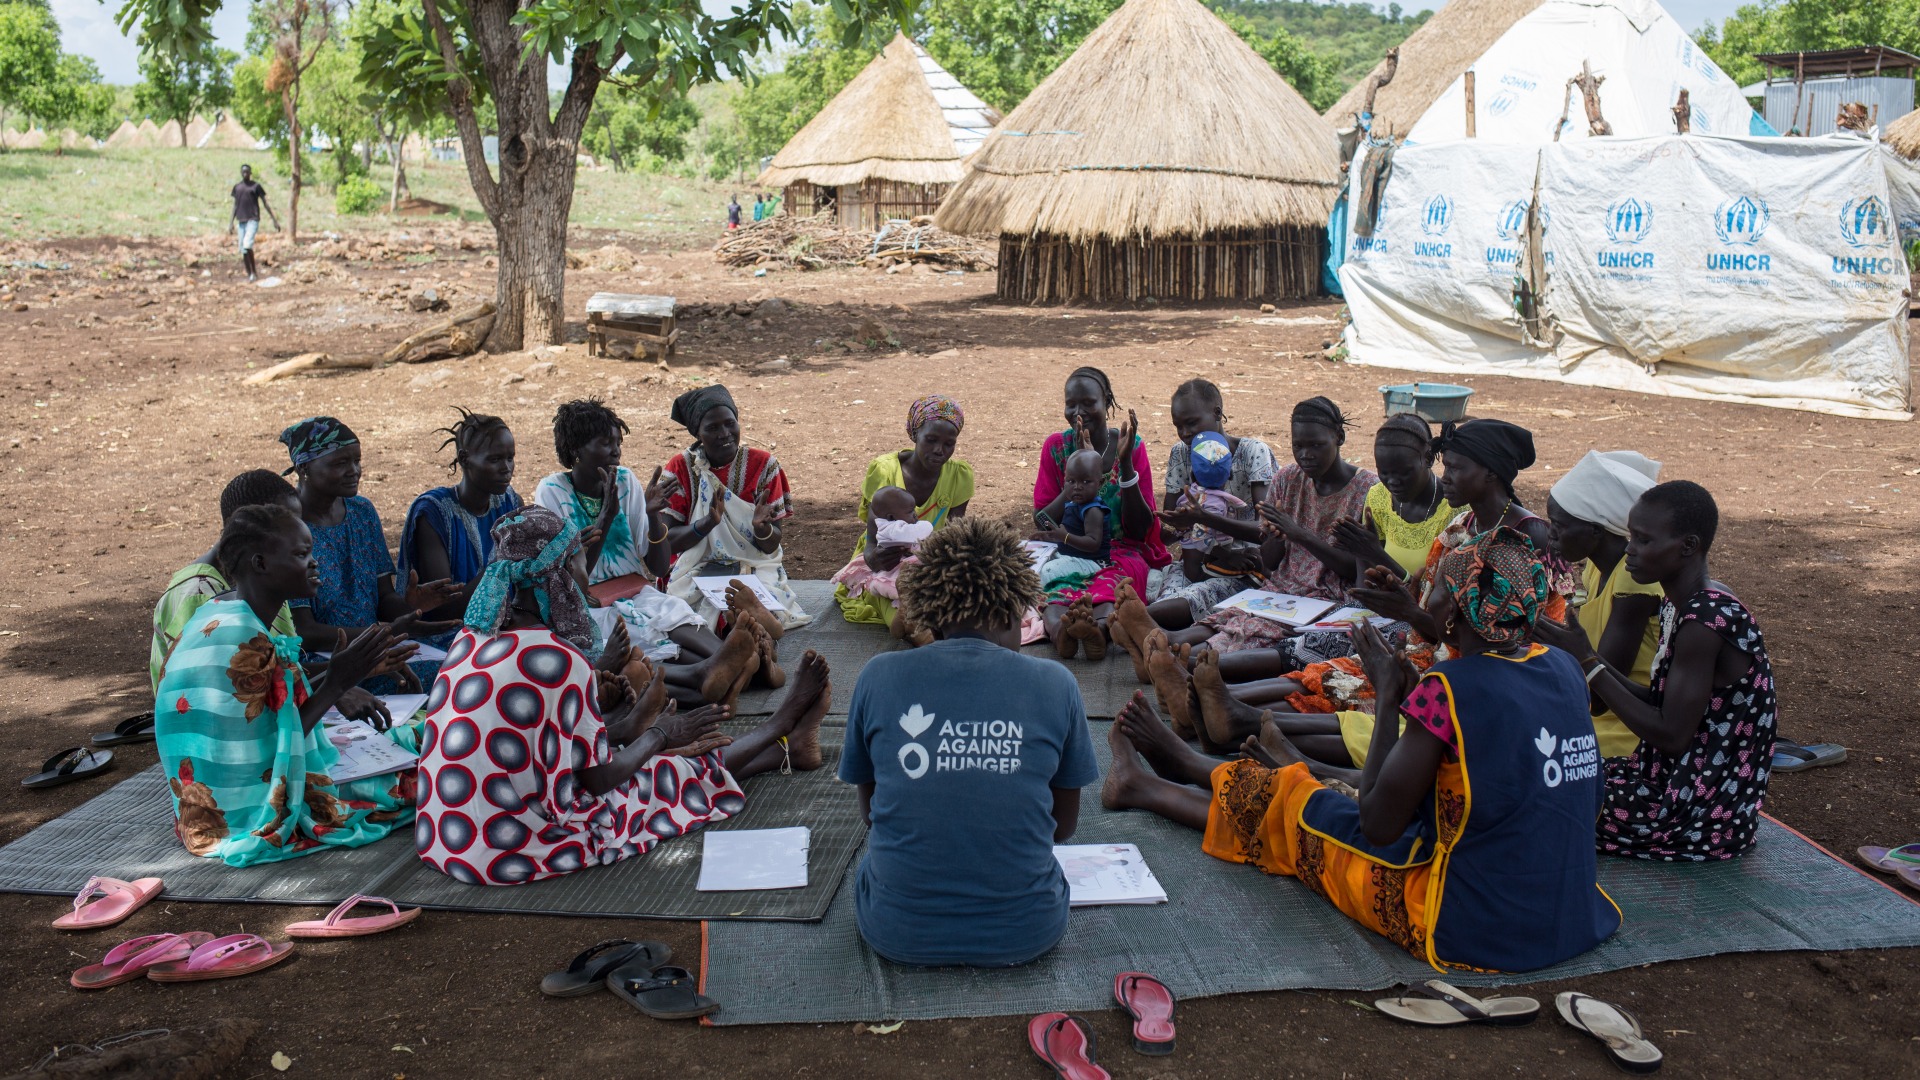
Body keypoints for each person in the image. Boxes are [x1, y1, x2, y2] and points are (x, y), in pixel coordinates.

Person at [1102, 526, 1620, 972]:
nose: (1426, 599)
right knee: (1359, 791)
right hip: (1572, 913)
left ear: (1455, 614)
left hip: (1467, 923)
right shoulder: (1562, 669)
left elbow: (1376, 826)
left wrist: (1392, 696)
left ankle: (1150, 784)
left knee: (1308, 808)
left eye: (1436, 590)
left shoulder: (1450, 686)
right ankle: (1212, 767)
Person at [415, 507, 833, 885]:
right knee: (663, 773)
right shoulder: (559, 659)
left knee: (651, 755)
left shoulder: (469, 640)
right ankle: (780, 724)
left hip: (445, 838)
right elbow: (596, 782)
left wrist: (632, 731)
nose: (586, 570)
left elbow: (540, 747)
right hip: (516, 848)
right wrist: (660, 737)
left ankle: (787, 750)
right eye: (579, 558)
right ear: (558, 573)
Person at [840, 517, 1099, 967]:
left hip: (896, 929)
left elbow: (869, 813)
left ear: (928, 610)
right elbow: (1063, 827)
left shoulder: (878, 676)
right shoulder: (1055, 683)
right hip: (1029, 929)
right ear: (1008, 611)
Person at [156, 505, 419, 867]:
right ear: (261, 563)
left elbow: (271, 714)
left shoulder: (219, 612)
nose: (314, 563)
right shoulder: (247, 637)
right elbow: (274, 751)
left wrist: (338, 678)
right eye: (301, 554)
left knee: (410, 740)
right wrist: (335, 683)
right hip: (245, 809)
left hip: (204, 808)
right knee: (417, 775)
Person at [1536, 481, 1778, 862]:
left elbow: (1671, 734)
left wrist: (1586, 662)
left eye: (1644, 540)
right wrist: (1585, 657)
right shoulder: (1679, 604)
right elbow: (1661, 701)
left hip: (1697, 813)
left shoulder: (1705, 621)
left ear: (1688, 546)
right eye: (1631, 535)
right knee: (1547, 772)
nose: (1630, 549)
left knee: (1541, 801)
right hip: (1669, 781)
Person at [1158, 397, 1377, 659]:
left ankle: (1185, 661)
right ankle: (1169, 645)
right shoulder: (1287, 478)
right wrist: (1277, 537)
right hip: (1283, 589)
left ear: (1339, 438)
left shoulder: (1366, 490)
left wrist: (1300, 534)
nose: (1306, 454)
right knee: (1232, 617)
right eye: (1298, 446)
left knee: (1255, 628)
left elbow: (1354, 570)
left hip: (1332, 596)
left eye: (1316, 445)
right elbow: (1272, 562)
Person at [281, 417, 463, 687]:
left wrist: (411, 611)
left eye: (356, 461)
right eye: (340, 463)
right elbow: (305, 631)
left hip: (374, 642)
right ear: (304, 467)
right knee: (451, 674)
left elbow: (383, 596)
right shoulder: (288, 527)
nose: (354, 470)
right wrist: (384, 634)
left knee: (468, 647)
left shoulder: (362, 512)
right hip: (328, 659)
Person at [533, 399, 710, 664]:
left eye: (618, 443)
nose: (616, 452)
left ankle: (734, 659)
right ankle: (718, 670)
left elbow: (659, 568)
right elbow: (573, 580)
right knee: (639, 637)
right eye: (606, 443)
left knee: (674, 611)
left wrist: (652, 516)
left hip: (636, 590)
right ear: (576, 449)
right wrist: (606, 516)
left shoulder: (625, 480)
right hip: (589, 604)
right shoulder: (552, 492)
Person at [1031, 366, 1170, 649]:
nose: (1078, 412)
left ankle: (1100, 632)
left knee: (1114, 590)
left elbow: (1141, 528)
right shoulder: (1057, 448)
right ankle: (1060, 633)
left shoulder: (1130, 447)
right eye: (1070, 405)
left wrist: (1127, 465)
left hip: (1121, 551)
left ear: (1106, 402)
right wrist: (1071, 488)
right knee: (1058, 588)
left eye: (1088, 403)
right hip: (1072, 550)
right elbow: (1042, 523)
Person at [655, 385, 810, 632]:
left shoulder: (764, 465)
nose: (724, 433)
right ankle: (750, 628)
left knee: (759, 595)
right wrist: (706, 524)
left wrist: (762, 529)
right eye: (712, 428)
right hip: (695, 563)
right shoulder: (680, 468)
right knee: (692, 611)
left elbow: (770, 546)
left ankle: (755, 620)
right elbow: (667, 543)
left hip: (754, 560)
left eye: (730, 424)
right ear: (698, 434)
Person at [1545, 450, 1663, 758]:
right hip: (1593, 712)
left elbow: (1601, 699)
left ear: (1595, 530)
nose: (1550, 534)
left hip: (1624, 729)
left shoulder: (1633, 581)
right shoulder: (1598, 566)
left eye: (1559, 524)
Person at [835, 394, 973, 632]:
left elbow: (954, 536)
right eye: (930, 440)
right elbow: (871, 539)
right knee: (896, 603)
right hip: (885, 561)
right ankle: (912, 626)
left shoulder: (959, 475)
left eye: (949, 443)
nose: (940, 450)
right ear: (914, 434)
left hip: (931, 558)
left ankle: (921, 625)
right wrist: (875, 559)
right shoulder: (885, 470)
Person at [1146, 379, 1275, 627]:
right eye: (1178, 426)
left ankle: (1120, 624)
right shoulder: (1181, 453)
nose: (1185, 433)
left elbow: (1265, 530)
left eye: (1191, 423)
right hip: (1200, 559)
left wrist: (1204, 519)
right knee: (1169, 599)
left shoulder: (1252, 452)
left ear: (1217, 413)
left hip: (1247, 562)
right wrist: (1181, 527)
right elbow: (1169, 533)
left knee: (1193, 603)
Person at [399, 409, 523, 641]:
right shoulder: (433, 512)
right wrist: (497, 569)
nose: (507, 468)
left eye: (510, 457)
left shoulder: (510, 502)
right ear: (465, 459)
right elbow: (443, 609)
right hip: (448, 635)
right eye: (494, 459)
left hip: (504, 626)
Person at [1037, 448, 1117, 658]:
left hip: (1091, 562)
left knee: (1047, 572)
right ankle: (1060, 629)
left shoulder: (1093, 510)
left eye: (1085, 482)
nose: (1077, 487)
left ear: (1099, 484)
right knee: (1037, 563)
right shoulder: (1074, 503)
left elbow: (1092, 543)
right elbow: (1047, 520)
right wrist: (1049, 537)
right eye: (1071, 481)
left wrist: (1064, 537)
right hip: (1072, 555)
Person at [831, 486, 933, 640]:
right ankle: (912, 622)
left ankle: (910, 619)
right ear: (891, 517)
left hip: (909, 565)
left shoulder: (958, 474)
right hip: (891, 570)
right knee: (912, 598)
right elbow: (923, 530)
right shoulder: (892, 528)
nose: (915, 515)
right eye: (911, 512)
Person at [227, 164, 280, 283]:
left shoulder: (256, 186)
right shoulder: (237, 187)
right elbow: (235, 205)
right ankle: (249, 274)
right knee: (243, 249)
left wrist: (274, 220)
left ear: (250, 173)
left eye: (247, 172)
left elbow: (265, 203)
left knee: (247, 245)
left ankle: (254, 273)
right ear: (241, 173)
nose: (245, 174)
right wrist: (230, 223)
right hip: (241, 221)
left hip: (253, 219)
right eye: (243, 172)